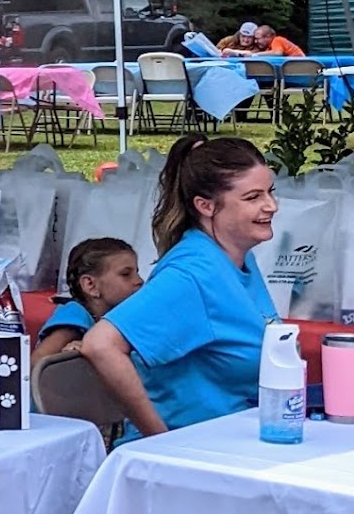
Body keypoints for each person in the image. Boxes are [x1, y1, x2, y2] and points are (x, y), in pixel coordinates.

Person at [78, 136, 279, 436]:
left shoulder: (235, 258)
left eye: (270, 193)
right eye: (253, 197)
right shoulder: (193, 273)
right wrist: (160, 439)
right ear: (206, 206)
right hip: (194, 457)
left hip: (239, 443)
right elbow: (100, 345)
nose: (271, 206)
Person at [33, 238, 144, 366]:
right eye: (126, 274)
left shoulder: (118, 317)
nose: (139, 280)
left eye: (137, 272)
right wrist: (70, 357)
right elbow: (38, 362)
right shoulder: (75, 315)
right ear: (90, 285)